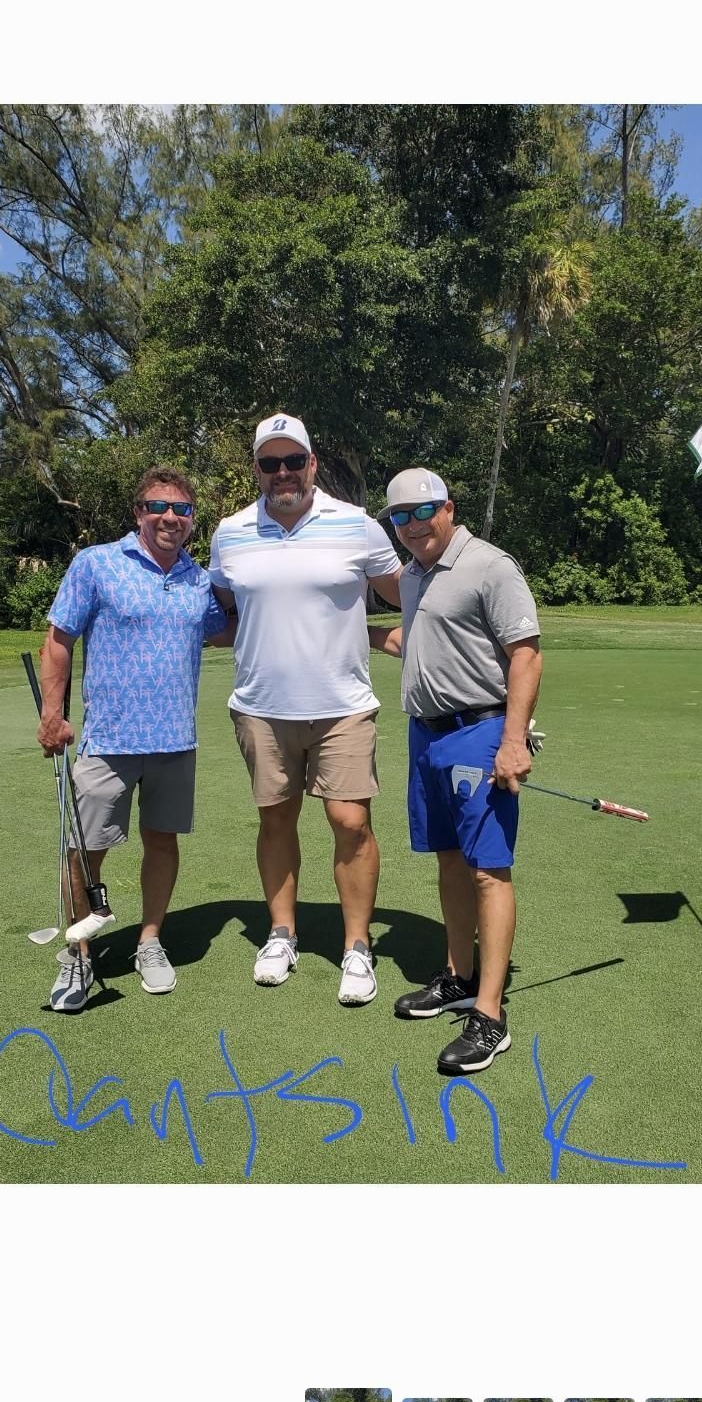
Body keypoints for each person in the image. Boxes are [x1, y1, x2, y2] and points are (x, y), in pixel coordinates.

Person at [209, 416, 402, 1005]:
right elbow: (226, 611)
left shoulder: (358, 525)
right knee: (276, 821)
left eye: (294, 461)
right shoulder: (230, 532)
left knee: (351, 823)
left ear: (313, 464)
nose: (283, 473)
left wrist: (380, 637)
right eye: (271, 463)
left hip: (343, 706)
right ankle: (281, 933)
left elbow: (410, 593)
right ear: (257, 470)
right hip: (261, 708)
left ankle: (357, 947)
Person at [36, 465, 231, 1013]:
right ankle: (78, 953)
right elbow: (58, 640)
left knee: (162, 842)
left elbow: (224, 631)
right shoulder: (97, 563)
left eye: (182, 509)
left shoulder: (197, 579)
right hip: (109, 738)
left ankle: (149, 941)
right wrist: (53, 714)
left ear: (192, 519)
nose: (170, 517)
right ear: (138, 513)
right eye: (158, 506)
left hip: (176, 739)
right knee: (85, 850)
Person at [371, 469, 541, 1075]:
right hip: (427, 735)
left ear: (449, 508)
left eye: (424, 512)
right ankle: (459, 977)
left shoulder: (490, 566)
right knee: (448, 860)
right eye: (400, 517)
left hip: (480, 732)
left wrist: (513, 741)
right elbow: (420, 640)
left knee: (488, 871)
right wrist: (355, 633)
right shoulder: (413, 575)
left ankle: (490, 1015)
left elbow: (526, 655)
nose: (413, 525)